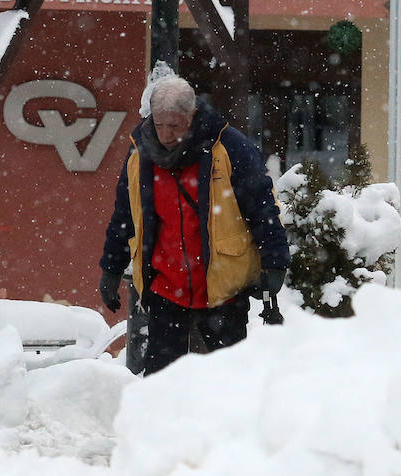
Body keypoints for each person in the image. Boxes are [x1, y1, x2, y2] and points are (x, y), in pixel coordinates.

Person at [99, 74, 289, 375]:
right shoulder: (141, 152)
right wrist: (111, 268)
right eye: (159, 124)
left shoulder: (228, 147)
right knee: (161, 380)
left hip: (222, 285)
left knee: (228, 379)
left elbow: (262, 207)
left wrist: (275, 262)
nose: (165, 133)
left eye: (174, 125)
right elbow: (125, 214)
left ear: (192, 115)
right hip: (165, 284)